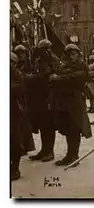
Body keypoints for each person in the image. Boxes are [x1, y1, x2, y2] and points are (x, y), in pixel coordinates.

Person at [51, 44, 92, 167]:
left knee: (75, 128)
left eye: (74, 54)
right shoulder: (65, 65)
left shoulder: (81, 65)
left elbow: (77, 77)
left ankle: (74, 156)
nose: (72, 56)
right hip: (65, 102)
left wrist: (59, 78)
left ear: (78, 54)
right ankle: (69, 155)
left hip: (76, 101)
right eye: (70, 54)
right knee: (68, 129)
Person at [26, 39, 59, 162]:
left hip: (49, 96)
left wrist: (31, 78)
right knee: (42, 125)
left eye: (46, 48)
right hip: (39, 97)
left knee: (49, 126)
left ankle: (50, 151)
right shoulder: (39, 60)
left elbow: (46, 76)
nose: (45, 51)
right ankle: (44, 150)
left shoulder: (52, 60)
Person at [11, 52, 35, 181]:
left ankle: (15, 169)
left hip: (15, 112)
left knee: (15, 142)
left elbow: (20, 88)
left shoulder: (17, 74)